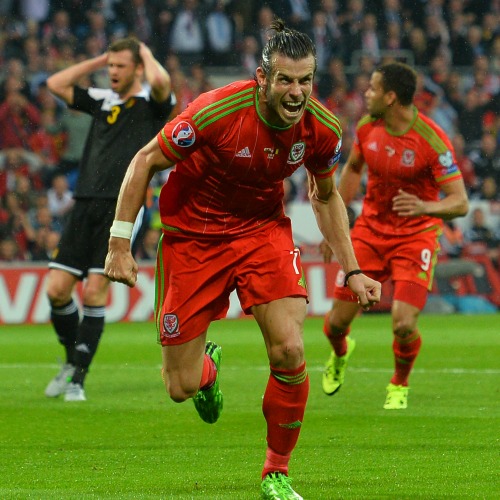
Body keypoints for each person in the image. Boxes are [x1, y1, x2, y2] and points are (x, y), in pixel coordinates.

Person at [104, 19, 381, 500]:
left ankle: (276, 471)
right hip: (193, 238)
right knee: (180, 386)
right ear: (262, 78)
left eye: (305, 80)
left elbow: (326, 193)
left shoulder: (322, 129)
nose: (297, 92)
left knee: (290, 350)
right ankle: (206, 370)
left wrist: (352, 267)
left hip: (261, 233)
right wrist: (119, 243)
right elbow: (145, 160)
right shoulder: (217, 111)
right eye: (286, 80)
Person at [319, 61, 469, 410]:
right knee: (336, 324)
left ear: (390, 97)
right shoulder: (368, 127)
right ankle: (340, 354)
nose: (365, 94)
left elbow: (460, 202)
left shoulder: (432, 140)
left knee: (403, 323)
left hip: (415, 237)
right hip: (370, 230)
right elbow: (354, 169)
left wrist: (424, 208)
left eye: (371, 88)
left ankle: (399, 383)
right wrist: (333, 226)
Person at [44, 37, 174, 403]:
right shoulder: (103, 100)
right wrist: (99, 57)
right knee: (56, 289)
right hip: (84, 203)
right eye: (110, 66)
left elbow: (162, 83)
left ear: (137, 68)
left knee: (94, 291)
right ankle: (71, 360)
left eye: (120, 66)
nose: (112, 71)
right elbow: (55, 84)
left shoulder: (151, 103)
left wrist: (145, 51)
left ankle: (77, 381)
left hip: (121, 209)